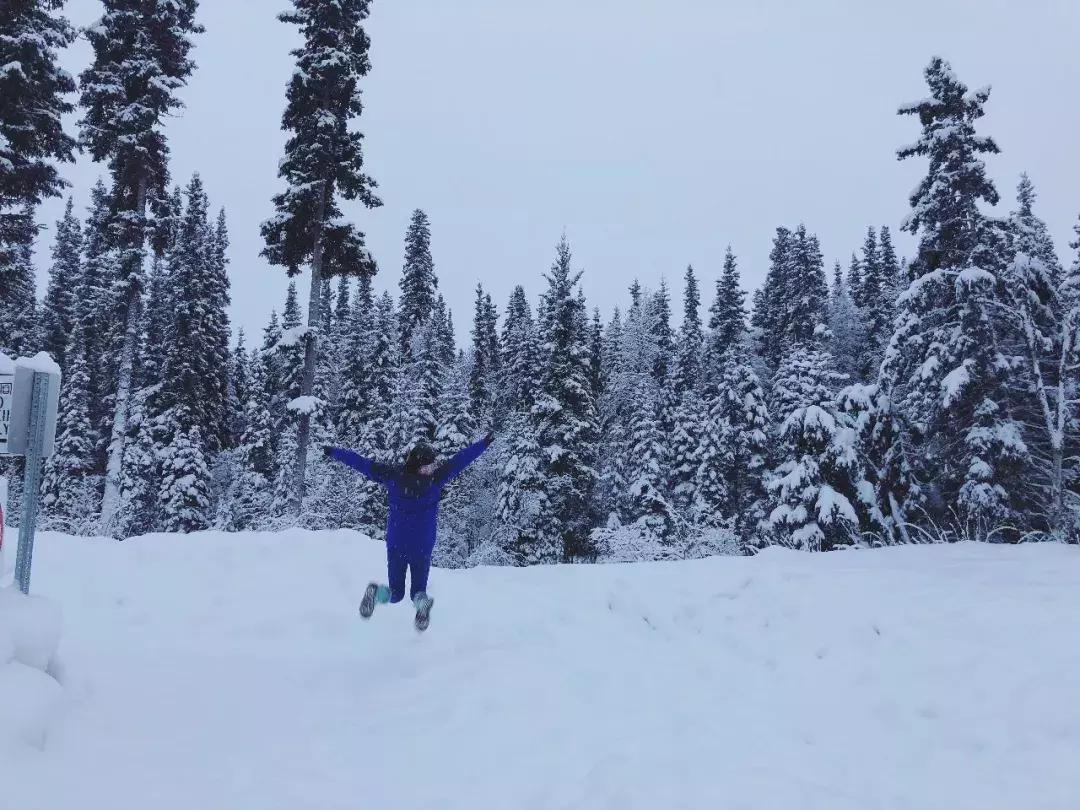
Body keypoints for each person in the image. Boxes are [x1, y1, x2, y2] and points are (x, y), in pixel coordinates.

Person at [323, 433, 493, 630]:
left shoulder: (393, 477)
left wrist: (334, 452)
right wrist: (484, 444)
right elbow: (460, 461)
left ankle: (375, 593)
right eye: (429, 465)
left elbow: (362, 464)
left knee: (396, 594)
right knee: (417, 593)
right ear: (419, 465)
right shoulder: (435, 481)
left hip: (396, 544)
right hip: (422, 547)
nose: (433, 468)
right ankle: (422, 607)